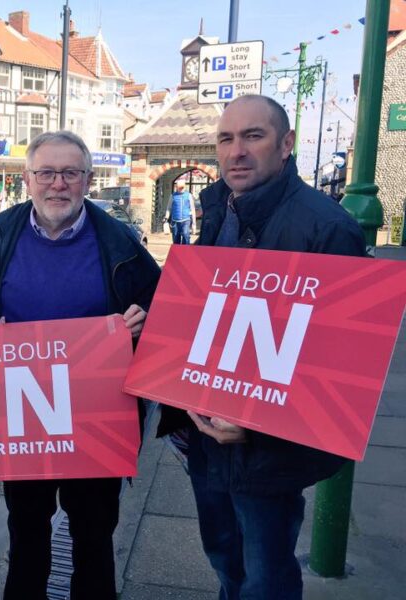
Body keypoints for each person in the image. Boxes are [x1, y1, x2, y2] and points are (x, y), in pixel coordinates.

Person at [158, 95, 366, 600]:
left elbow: (340, 362)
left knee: (266, 576)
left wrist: (255, 419)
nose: (237, 151)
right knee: (223, 556)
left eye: (254, 136)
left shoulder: (328, 228)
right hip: (204, 434)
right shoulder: (212, 207)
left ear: (286, 144)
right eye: (226, 139)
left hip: (269, 449)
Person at [0, 130, 161, 600]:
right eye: (46, 173)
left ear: (87, 180)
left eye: (70, 173)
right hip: (22, 414)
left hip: (97, 414)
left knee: (94, 534)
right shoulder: (0, 232)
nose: (57, 184)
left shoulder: (118, 239)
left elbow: (165, 310)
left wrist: (144, 323)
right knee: (27, 529)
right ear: (28, 179)